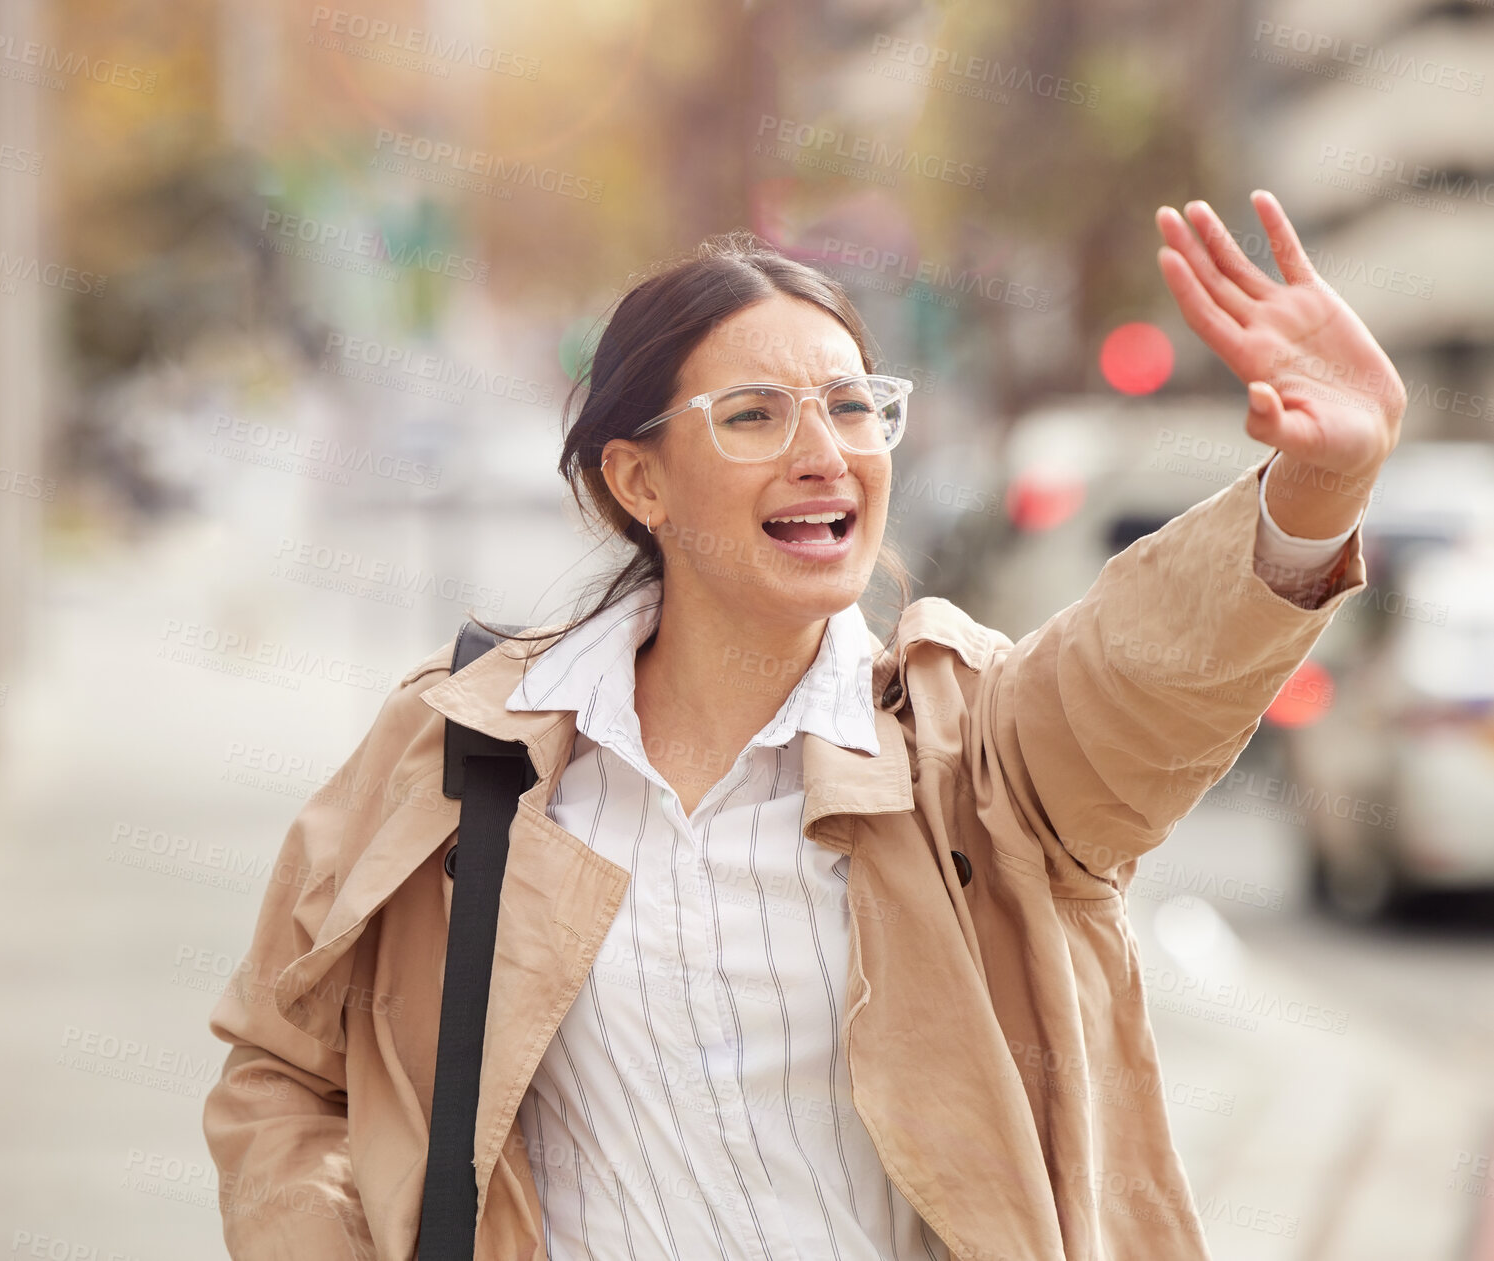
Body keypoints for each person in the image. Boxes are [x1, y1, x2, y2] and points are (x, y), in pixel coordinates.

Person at [202, 190, 1405, 1260]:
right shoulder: (461, 752)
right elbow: (282, 1071)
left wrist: (1316, 489)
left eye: (849, 405)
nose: (824, 453)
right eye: (754, 415)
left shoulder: (972, 752)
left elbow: (1142, 675)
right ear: (638, 481)